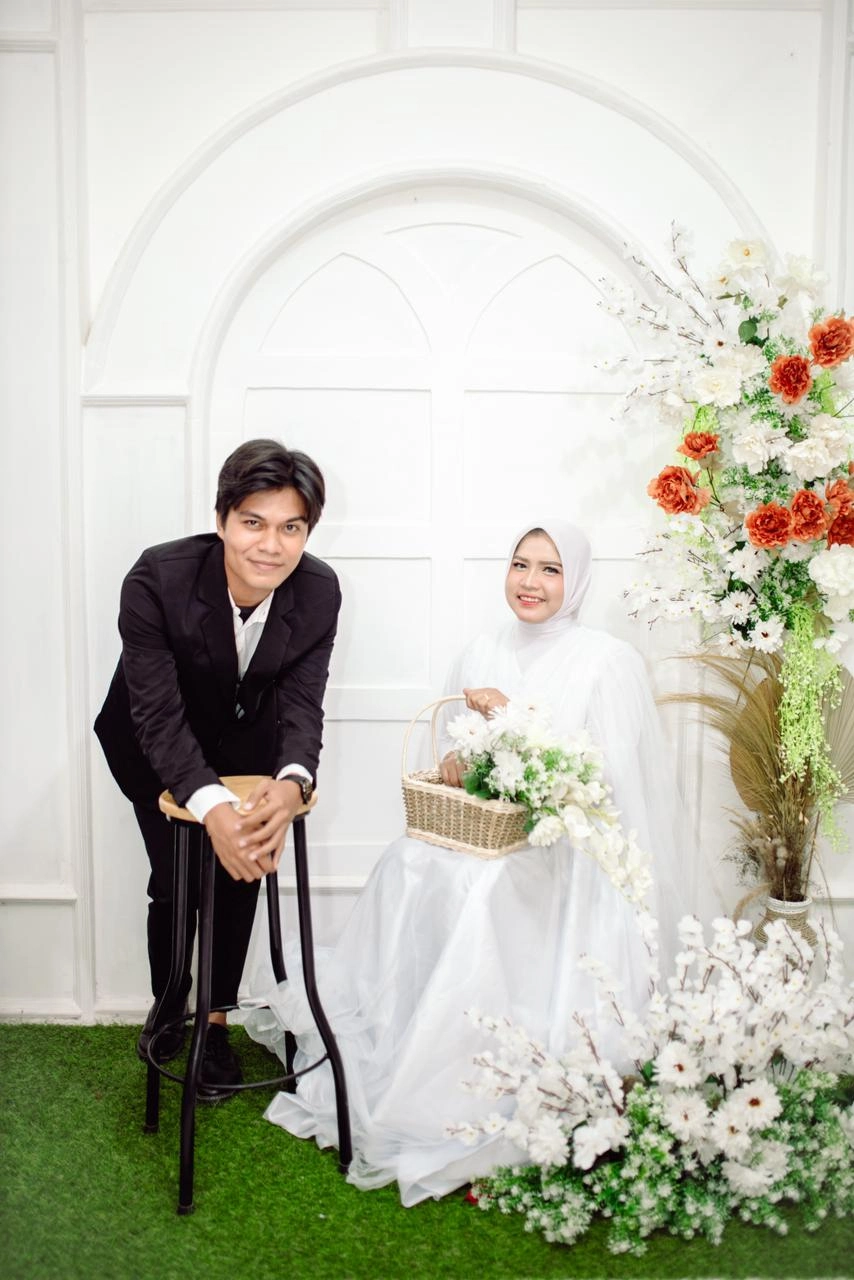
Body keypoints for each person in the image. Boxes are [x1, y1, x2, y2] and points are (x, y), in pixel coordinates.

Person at [243, 520, 688, 1201]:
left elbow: (606, 782)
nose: (530, 582)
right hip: (484, 831)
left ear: (575, 582)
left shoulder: (606, 661)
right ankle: (409, 1031)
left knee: (482, 892)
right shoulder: (482, 649)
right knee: (407, 862)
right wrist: (458, 761)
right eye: (520, 564)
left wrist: (516, 721)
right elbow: (455, 751)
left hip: (562, 848)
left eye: (550, 570)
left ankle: (468, 1058)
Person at [95, 438, 340, 1098]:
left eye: (291, 528)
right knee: (176, 881)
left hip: (245, 746)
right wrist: (209, 805)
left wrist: (292, 782)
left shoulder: (319, 590)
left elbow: (303, 703)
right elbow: (156, 713)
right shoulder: (157, 578)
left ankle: (215, 1021)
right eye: (254, 522)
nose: (271, 545)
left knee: (238, 879)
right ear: (223, 519)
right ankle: (171, 1005)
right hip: (149, 741)